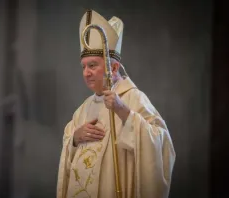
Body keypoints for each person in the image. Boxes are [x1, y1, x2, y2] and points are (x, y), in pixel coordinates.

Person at [57, 9, 176, 198]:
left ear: (113, 67)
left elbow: (163, 147)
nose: (86, 72)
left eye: (93, 65)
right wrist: (74, 139)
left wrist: (123, 112)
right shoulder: (82, 110)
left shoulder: (134, 98)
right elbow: (68, 147)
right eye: (84, 66)